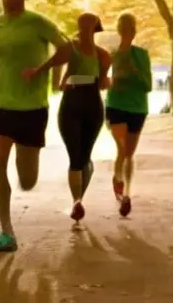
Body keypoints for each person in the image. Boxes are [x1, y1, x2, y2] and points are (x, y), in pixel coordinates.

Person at [0, 0, 71, 252]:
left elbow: (67, 50)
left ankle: (26, 177)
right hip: (1, 105)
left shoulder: (38, 23)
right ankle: (7, 231)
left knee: (27, 180)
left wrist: (41, 70)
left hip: (32, 108)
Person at [57, 12, 111, 222]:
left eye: (90, 25)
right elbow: (66, 73)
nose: (85, 29)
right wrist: (64, 81)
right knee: (75, 157)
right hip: (71, 104)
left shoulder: (103, 55)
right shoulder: (71, 49)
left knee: (83, 157)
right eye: (83, 25)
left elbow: (103, 83)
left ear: (95, 29)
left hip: (91, 104)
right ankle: (76, 201)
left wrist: (105, 80)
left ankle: (78, 200)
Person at [105, 11, 152, 218]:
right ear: (119, 31)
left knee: (128, 153)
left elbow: (148, 85)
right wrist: (114, 81)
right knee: (123, 147)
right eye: (123, 29)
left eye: (130, 29)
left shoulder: (142, 55)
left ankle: (121, 183)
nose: (127, 33)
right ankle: (125, 194)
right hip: (116, 105)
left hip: (137, 108)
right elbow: (104, 81)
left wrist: (134, 72)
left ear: (134, 32)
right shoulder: (112, 55)